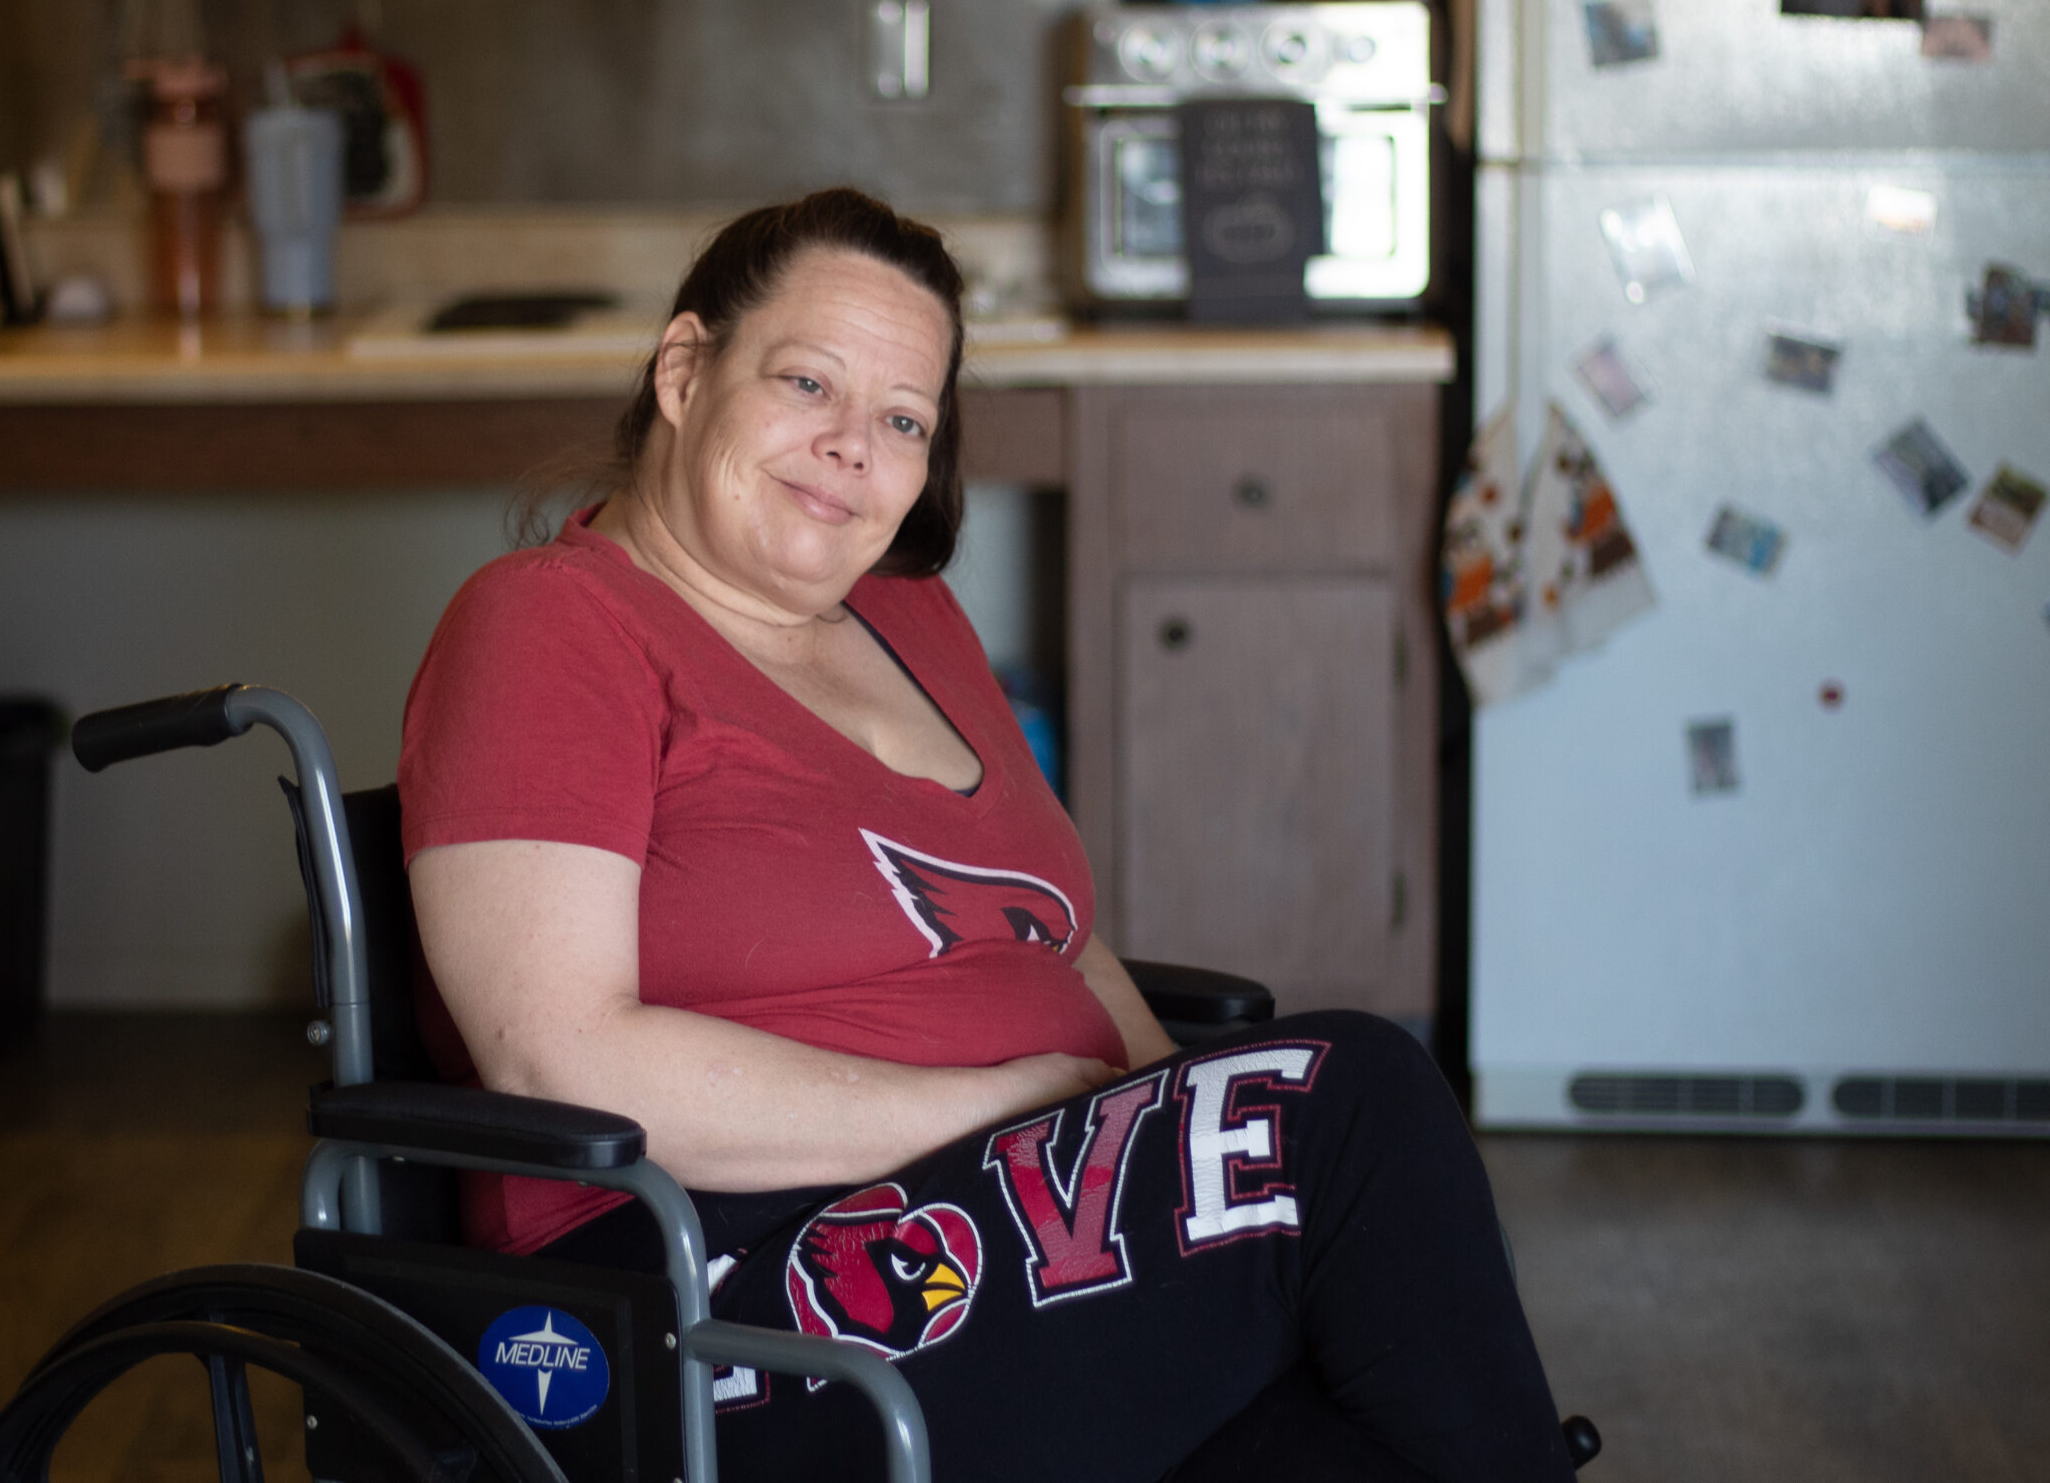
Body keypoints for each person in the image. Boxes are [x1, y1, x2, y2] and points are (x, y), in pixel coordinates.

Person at [398, 189, 1578, 1483]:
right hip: (712, 1299)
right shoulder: (551, 624)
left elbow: (1063, 945)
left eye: (903, 418)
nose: (853, 445)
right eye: (807, 381)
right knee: (1347, 1096)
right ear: (686, 370)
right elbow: (555, 1057)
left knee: (1361, 1430)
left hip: (1022, 1256)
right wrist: (1009, 1107)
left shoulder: (913, 619)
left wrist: (1161, 1119)